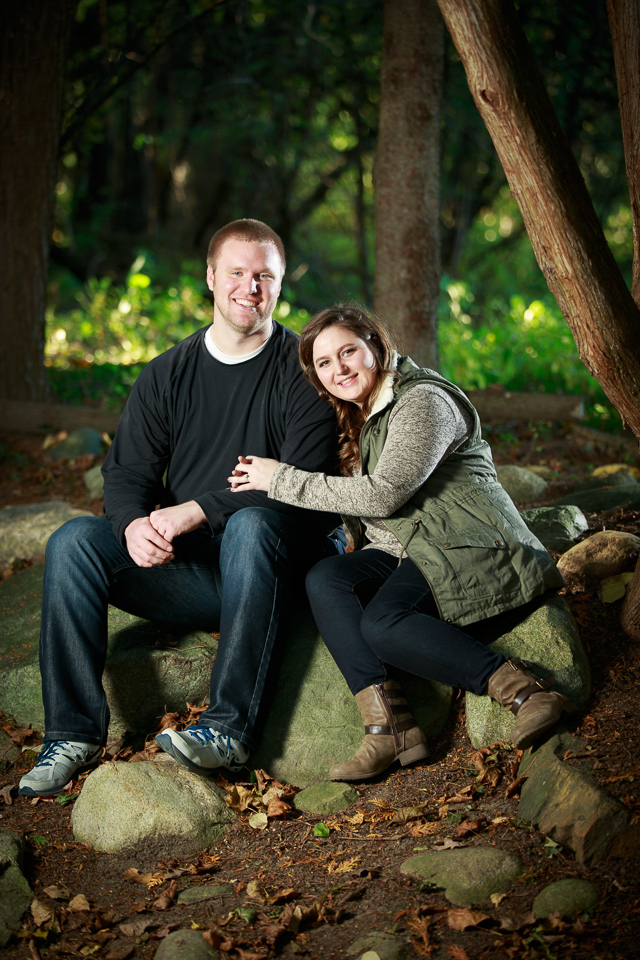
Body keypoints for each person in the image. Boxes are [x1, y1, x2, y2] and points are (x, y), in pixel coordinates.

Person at [19, 219, 344, 798]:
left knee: (249, 524)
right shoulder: (169, 372)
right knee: (72, 541)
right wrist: (133, 525)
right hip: (197, 576)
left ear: (280, 284)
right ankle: (71, 734)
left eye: (265, 276)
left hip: (280, 569)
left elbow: (303, 483)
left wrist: (194, 509)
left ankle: (228, 730)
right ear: (212, 279)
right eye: (238, 273)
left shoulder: (303, 370)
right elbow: (125, 474)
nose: (251, 288)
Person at [229, 304, 572, 782]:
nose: (339, 369)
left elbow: (386, 493)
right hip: (409, 548)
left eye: (347, 351)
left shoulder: (422, 400)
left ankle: (525, 692)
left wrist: (279, 478)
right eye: (324, 363)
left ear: (376, 344)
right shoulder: (357, 416)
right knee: (326, 578)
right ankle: (390, 730)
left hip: (466, 543)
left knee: (384, 625)